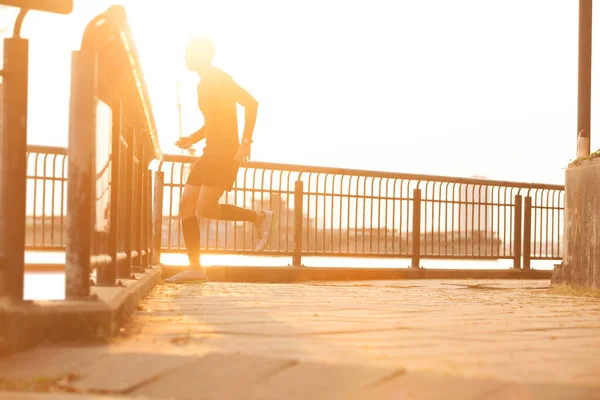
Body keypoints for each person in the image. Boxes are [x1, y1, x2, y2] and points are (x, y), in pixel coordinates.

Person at [165, 36, 275, 284]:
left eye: (188, 53)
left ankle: (259, 217)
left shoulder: (218, 78)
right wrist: (192, 138)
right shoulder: (203, 83)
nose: (184, 57)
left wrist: (246, 142)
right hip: (209, 150)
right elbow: (214, 122)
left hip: (225, 151)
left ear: (201, 55)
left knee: (205, 208)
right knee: (185, 205)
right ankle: (196, 268)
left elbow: (251, 103)